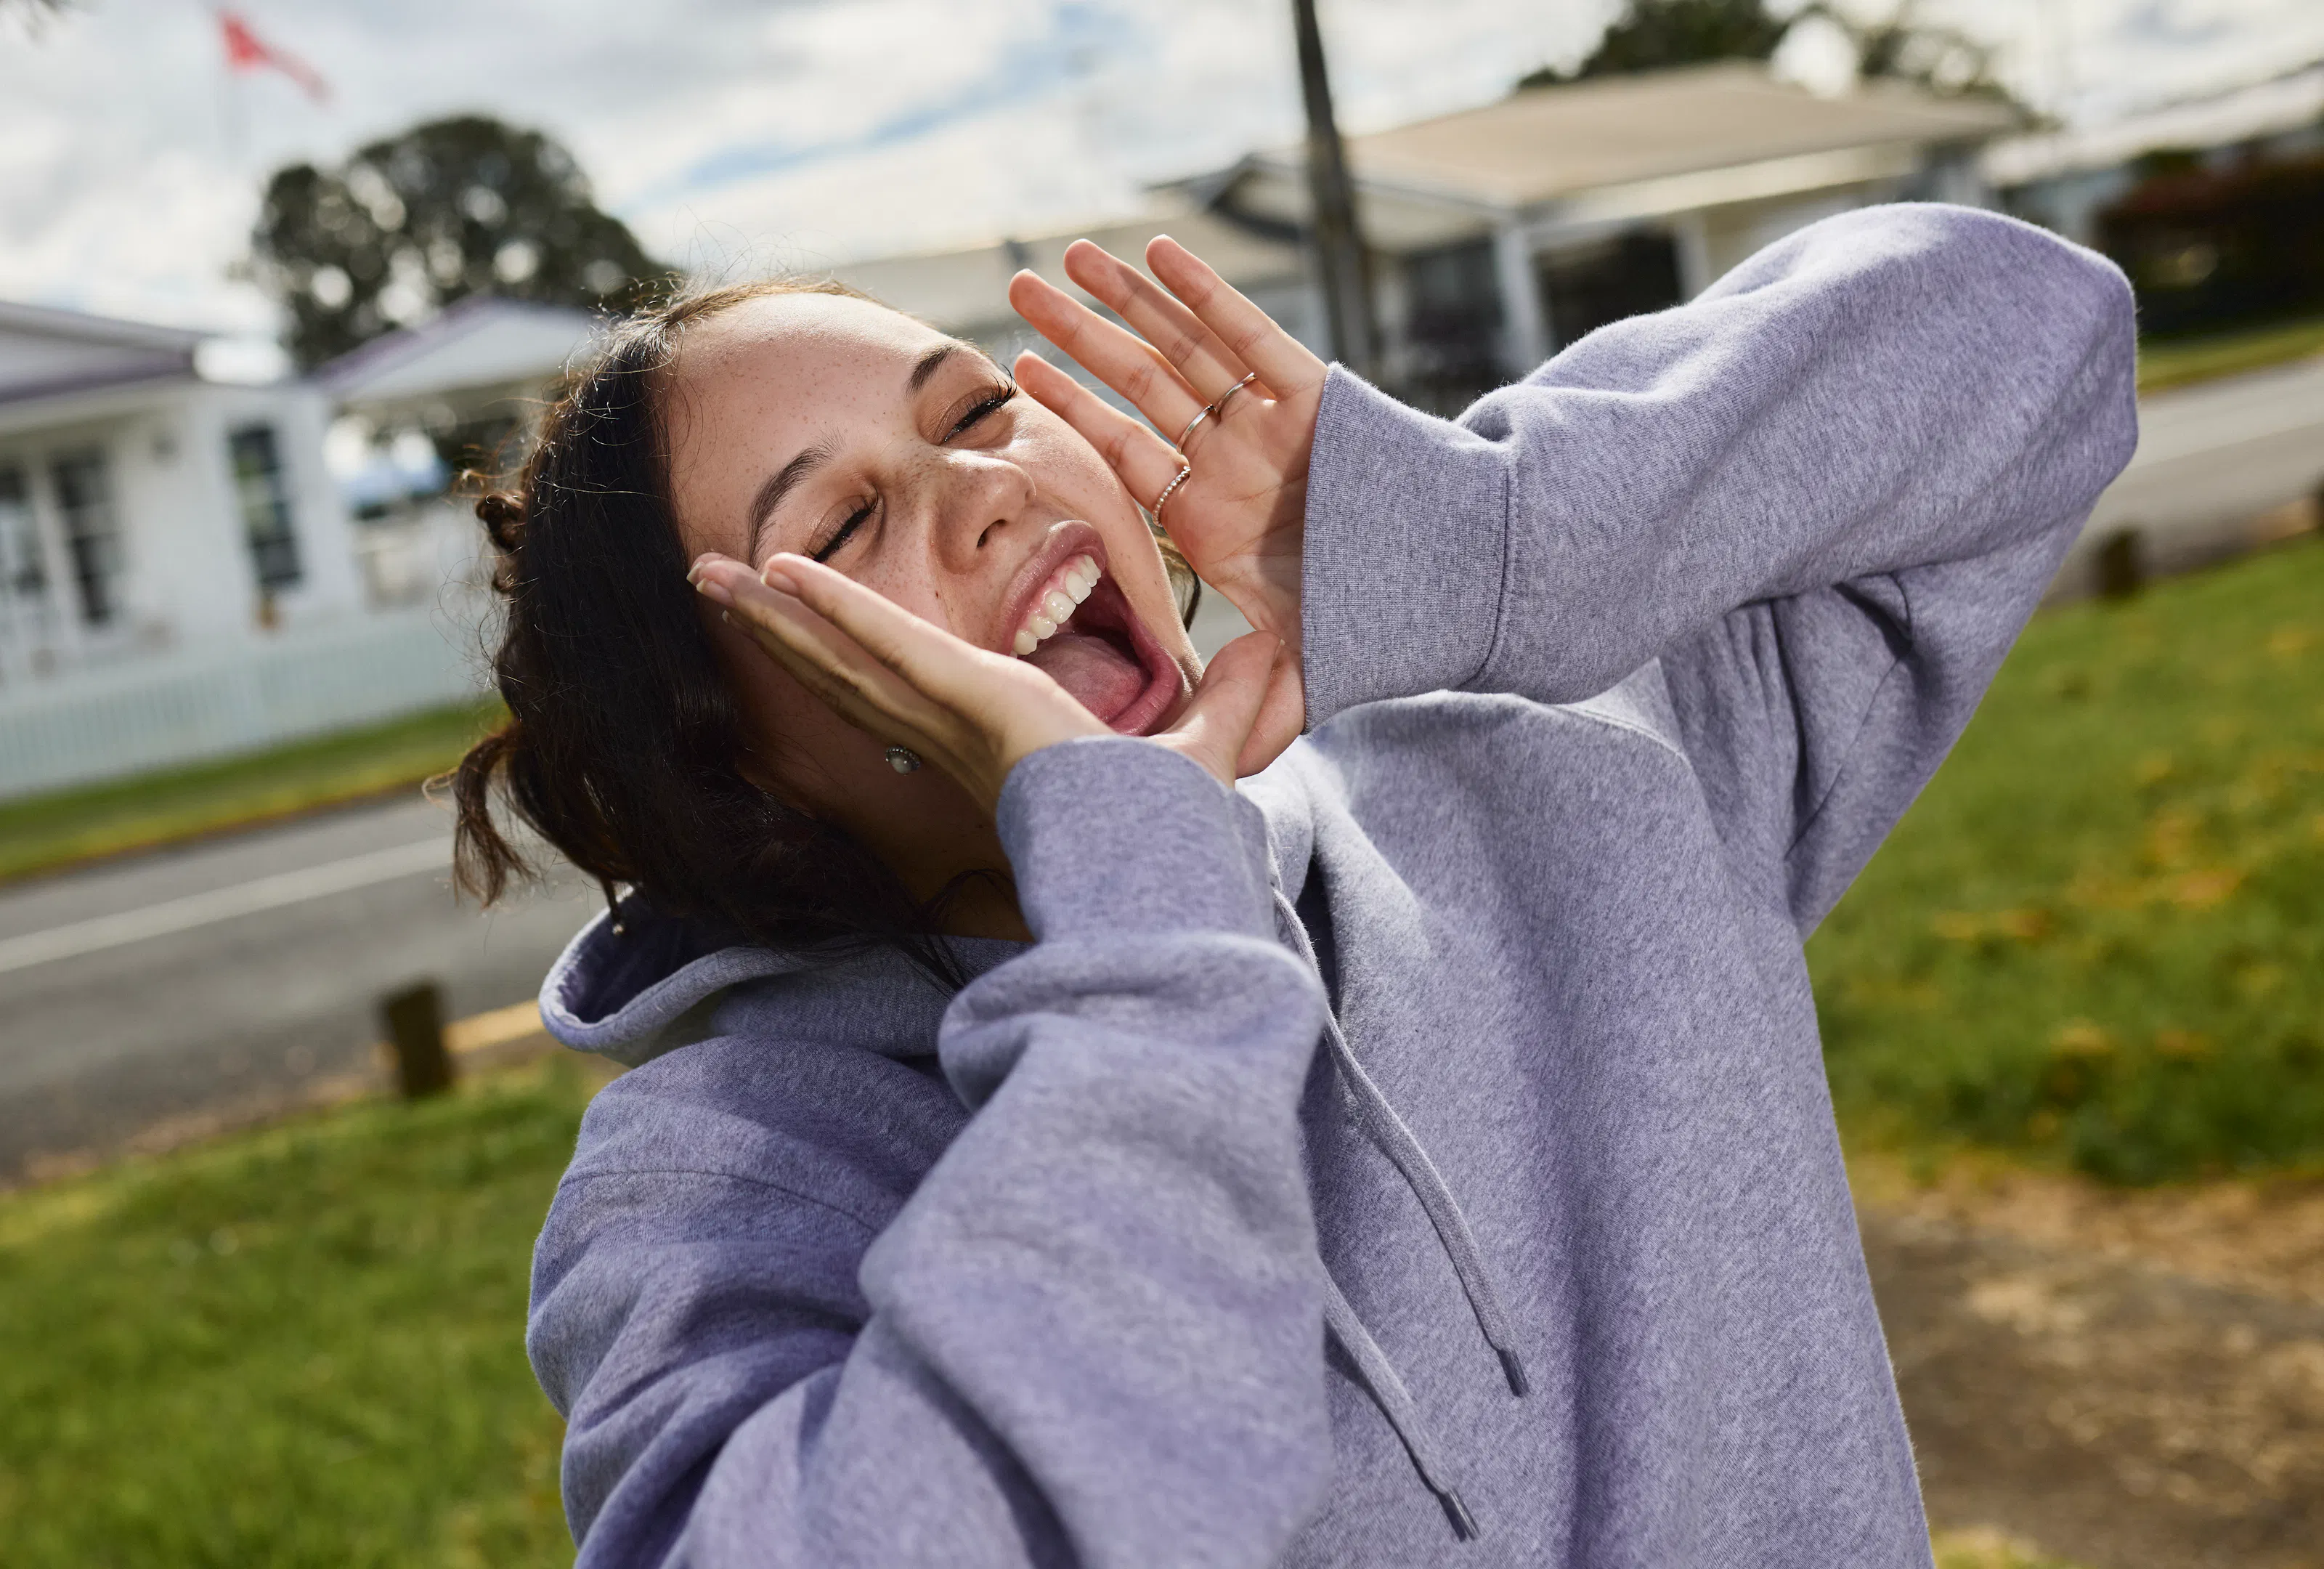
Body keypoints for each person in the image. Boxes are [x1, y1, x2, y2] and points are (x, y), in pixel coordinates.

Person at [452, 203, 2137, 1566]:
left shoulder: (1548, 764)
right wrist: (1144, 905)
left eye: (976, 410)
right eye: (839, 532)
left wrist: (1486, 534)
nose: (982, 492)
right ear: (737, 769)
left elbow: (2038, 333)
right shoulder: (722, 1184)